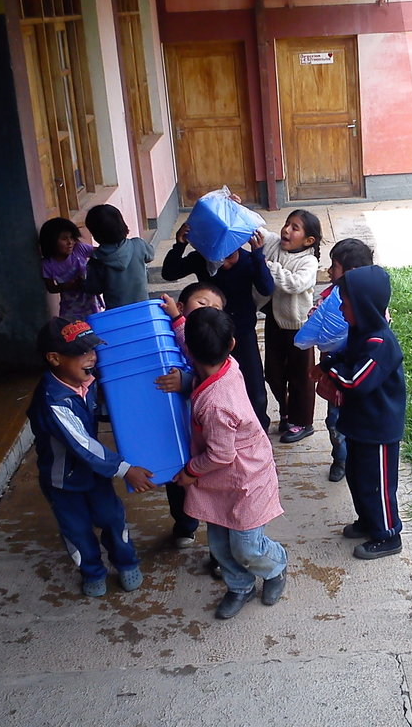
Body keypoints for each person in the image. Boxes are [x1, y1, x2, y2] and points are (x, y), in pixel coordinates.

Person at [26, 317, 155, 597]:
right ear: (54, 358)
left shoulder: (89, 383)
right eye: (82, 353)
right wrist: (125, 469)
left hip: (95, 474)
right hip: (63, 482)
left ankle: (126, 562)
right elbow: (83, 444)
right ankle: (92, 572)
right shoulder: (52, 400)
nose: (91, 358)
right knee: (77, 531)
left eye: (92, 350)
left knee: (112, 518)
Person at [175, 307, 288, 620]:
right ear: (232, 344)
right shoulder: (227, 362)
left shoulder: (216, 405)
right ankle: (239, 586)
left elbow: (220, 455)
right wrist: (177, 319)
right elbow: (190, 340)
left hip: (245, 479)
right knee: (220, 546)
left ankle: (276, 565)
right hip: (221, 481)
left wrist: (188, 472)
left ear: (191, 353)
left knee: (247, 547)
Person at [321, 265, 407, 560]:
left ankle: (388, 534)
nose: (341, 307)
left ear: (364, 305)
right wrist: (332, 359)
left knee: (378, 483)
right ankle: (368, 521)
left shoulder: (381, 343)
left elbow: (354, 381)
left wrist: (327, 368)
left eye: (345, 302)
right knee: (357, 477)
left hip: (378, 429)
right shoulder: (360, 332)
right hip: (359, 423)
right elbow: (346, 358)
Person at [161, 223, 273, 430]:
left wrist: (258, 255)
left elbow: (267, 287)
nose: (225, 264)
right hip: (209, 332)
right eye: (219, 259)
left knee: (255, 389)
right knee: (211, 382)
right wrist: (179, 245)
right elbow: (169, 273)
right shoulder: (201, 260)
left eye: (230, 257)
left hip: (242, 332)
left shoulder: (249, 261)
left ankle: (259, 430)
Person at [156, 281, 226, 555]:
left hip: (203, 434)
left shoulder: (211, 348)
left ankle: (219, 545)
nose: (208, 311)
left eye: (216, 310)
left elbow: (203, 369)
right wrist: (175, 318)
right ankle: (184, 524)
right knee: (177, 481)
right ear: (184, 307)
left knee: (207, 484)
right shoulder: (167, 334)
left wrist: (185, 380)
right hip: (175, 431)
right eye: (203, 303)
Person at [309, 238, 375, 482]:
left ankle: (358, 460)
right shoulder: (329, 296)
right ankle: (340, 458)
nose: (329, 270)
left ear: (352, 273)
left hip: (356, 376)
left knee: (357, 422)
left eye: (334, 266)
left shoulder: (371, 303)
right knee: (334, 421)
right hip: (334, 374)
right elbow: (318, 319)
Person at [255, 210, 322, 443]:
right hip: (275, 320)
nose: (286, 230)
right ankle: (285, 412)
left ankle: (303, 422)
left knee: (301, 377)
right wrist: (233, 207)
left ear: (308, 240)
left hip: (299, 327)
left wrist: (268, 266)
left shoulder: (309, 261)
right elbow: (254, 228)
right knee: (273, 372)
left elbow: (295, 284)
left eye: (295, 228)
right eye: (287, 224)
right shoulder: (274, 244)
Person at [83, 203, 154, 309]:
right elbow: (151, 255)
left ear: (96, 235)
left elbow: (94, 288)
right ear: (122, 225)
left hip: (116, 313)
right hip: (143, 308)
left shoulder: (97, 259)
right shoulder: (138, 245)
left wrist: (81, 281)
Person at [38, 217, 103, 320]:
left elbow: (102, 253)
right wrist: (66, 286)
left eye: (72, 237)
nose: (70, 242)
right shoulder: (48, 264)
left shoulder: (79, 249)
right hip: (70, 306)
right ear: (51, 242)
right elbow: (51, 288)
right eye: (64, 239)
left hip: (90, 301)